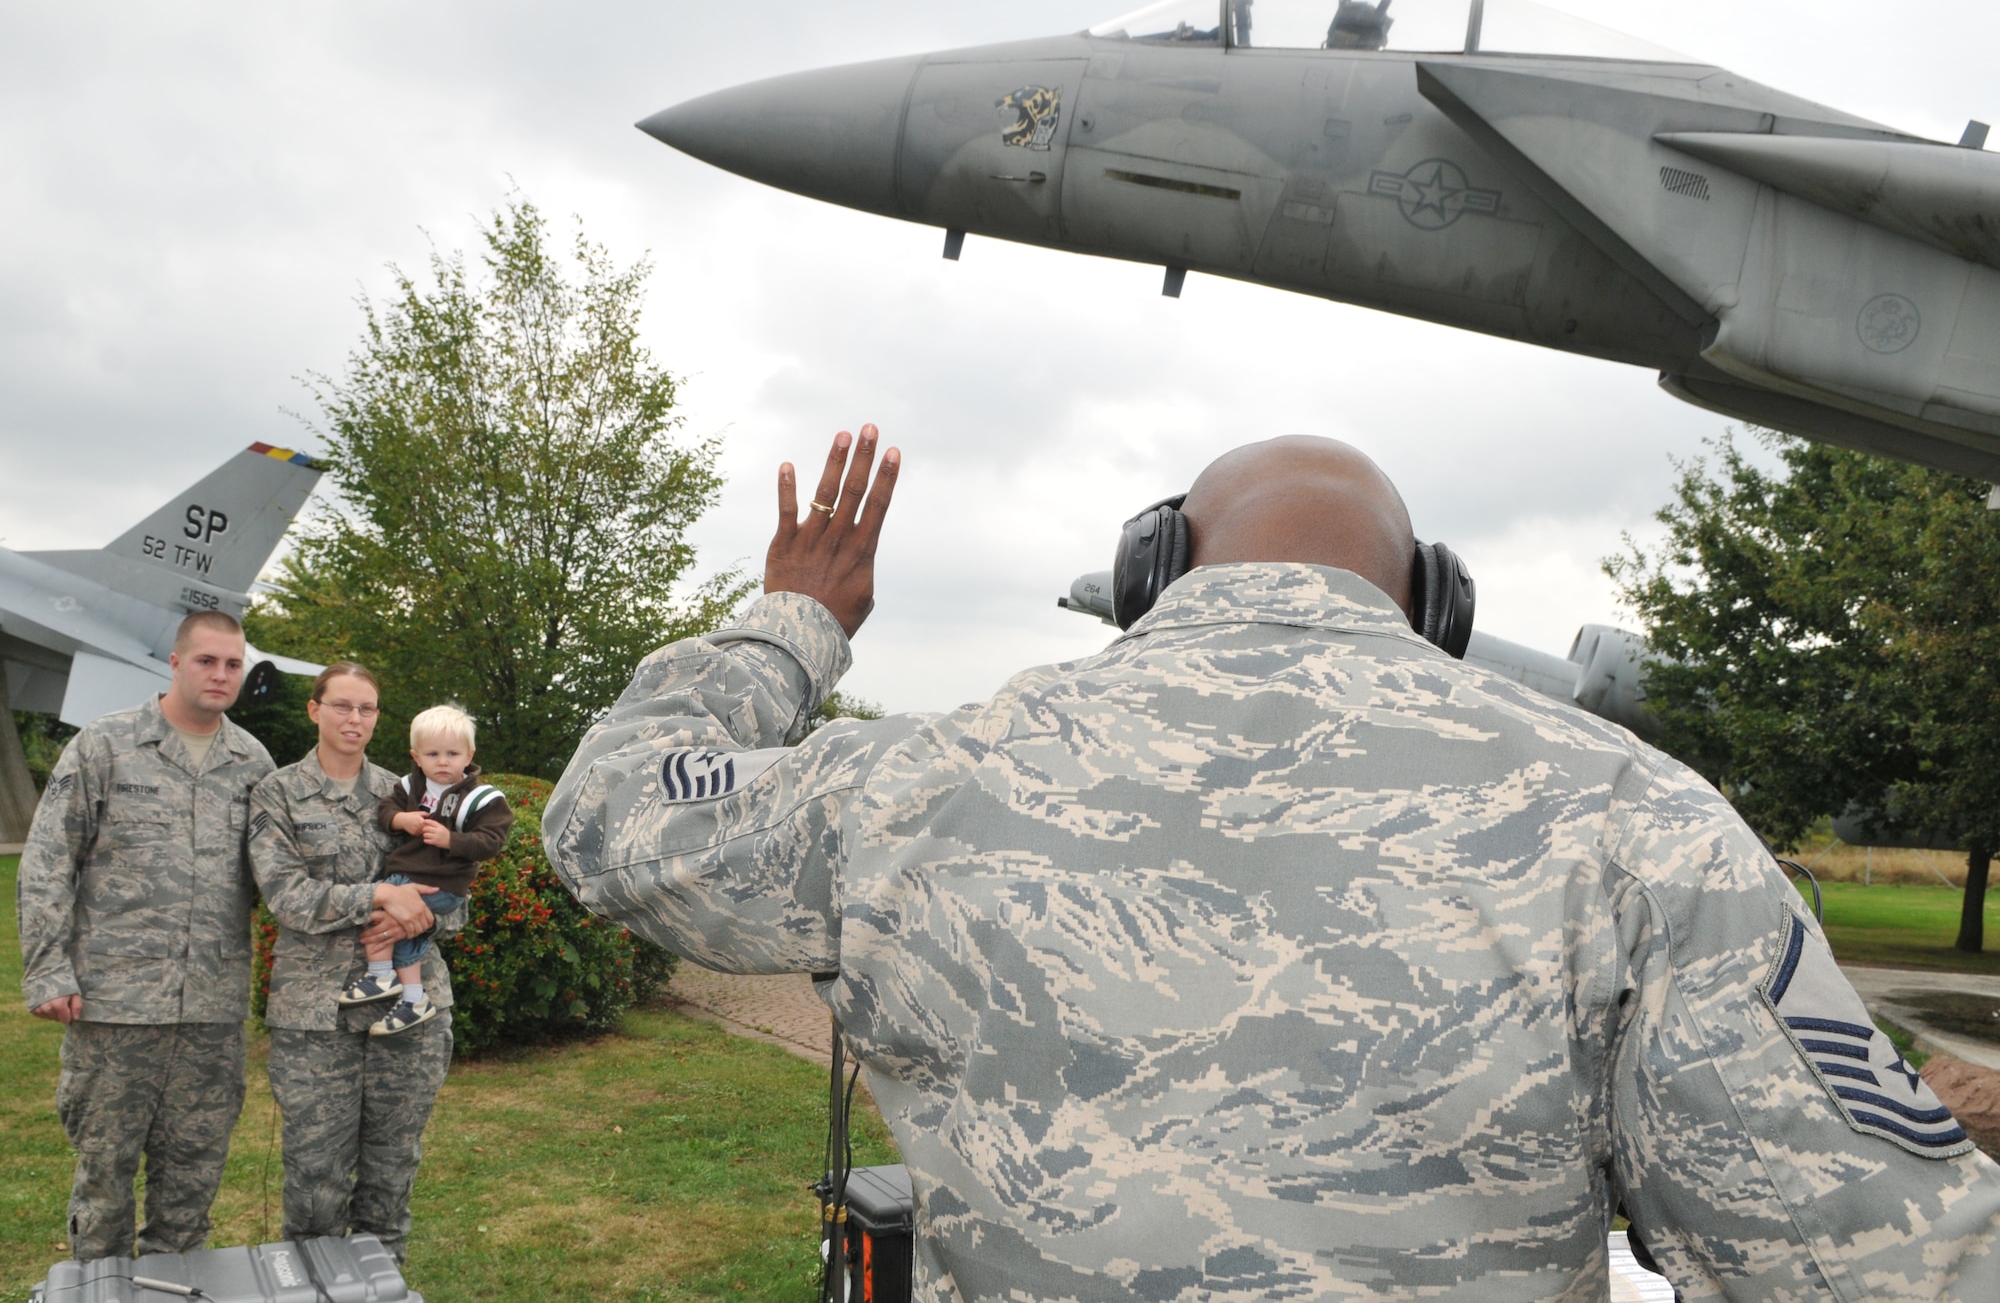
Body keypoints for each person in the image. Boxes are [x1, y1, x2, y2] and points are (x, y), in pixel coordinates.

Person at [544, 428, 2000, 1299]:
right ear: (1433, 598)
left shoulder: (914, 780)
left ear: (1151, 562)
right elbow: (1893, 1265)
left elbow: (608, 816)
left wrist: (792, 619)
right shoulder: (1642, 820)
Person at [16, 611, 275, 1261]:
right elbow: (49, 859)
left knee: (191, 1183)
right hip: (114, 1006)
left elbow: (280, 876)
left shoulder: (253, 762)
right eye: (207, 661)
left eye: (233, 664)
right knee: (104, 1179)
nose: (220, 674)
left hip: (211, 1011)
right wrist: (48, 969)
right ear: (176, 662)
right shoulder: (106, 744)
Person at [248, 664, 461, 1264]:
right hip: (316, 1019)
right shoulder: (278, 793)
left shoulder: (412, 793)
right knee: (315, 1183)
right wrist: (377, 896)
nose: (355, 720)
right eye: (342, 706)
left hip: (409, 1013)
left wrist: (414, 913)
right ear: (315, 710)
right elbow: (287, 897)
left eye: (366, 709)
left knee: (391, 1177)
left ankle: (380, 1284)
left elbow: (455, 895)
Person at [338, 704, 511, 1037]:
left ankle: (393, 984)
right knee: (387, 923)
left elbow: (492, 841)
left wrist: (452, 840)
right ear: (416, 757)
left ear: (469, 754)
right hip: (403, 878)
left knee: (389, 923)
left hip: (443, 885)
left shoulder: (481, 798)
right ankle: (399, 988)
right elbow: (385, 809)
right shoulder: (409, 787)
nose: (443, 761)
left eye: (452, 753)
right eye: (432, 754)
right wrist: (401, 819)